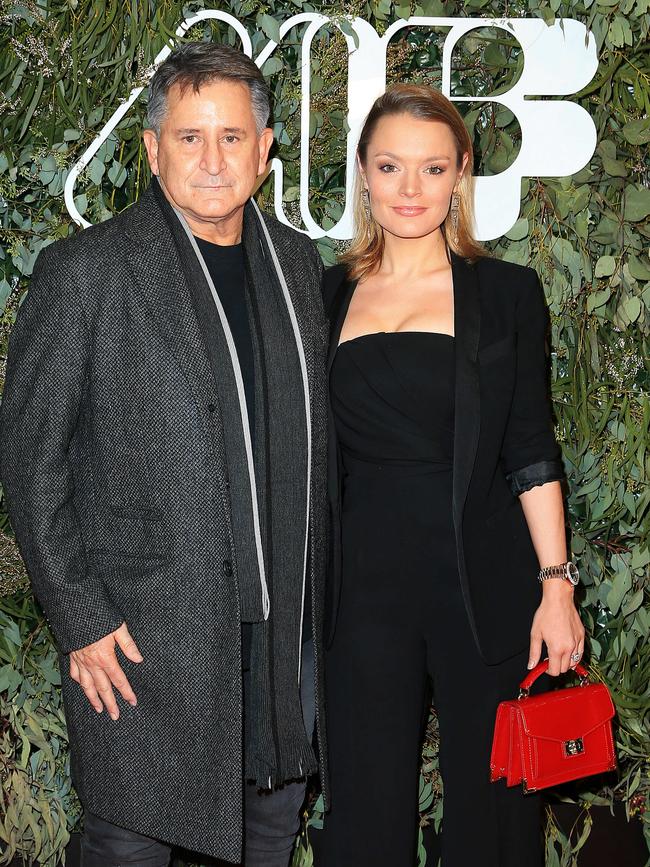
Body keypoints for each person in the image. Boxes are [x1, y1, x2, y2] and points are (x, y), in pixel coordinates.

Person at [0, 42, 329, 867]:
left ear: (265, 149)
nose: (212, 160)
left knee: (266, 839)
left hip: (279, 647)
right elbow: (31, 460)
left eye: (230, 137)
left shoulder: (296, 264)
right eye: (189, 138)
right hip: (143, 647)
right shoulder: (84, 272)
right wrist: (80, 617)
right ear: (152, 149)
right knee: (129, 848)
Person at [312, 84, 585, 867]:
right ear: (363, 172)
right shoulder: (324, 295)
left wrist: (556, 585)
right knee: (364, 816)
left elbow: (531, 445)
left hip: (482, 589)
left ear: (462, 172)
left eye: (432, 168)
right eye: (391, 165)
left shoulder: (505, 294)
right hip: (359, 595)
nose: (410, 189)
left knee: (492, 816)